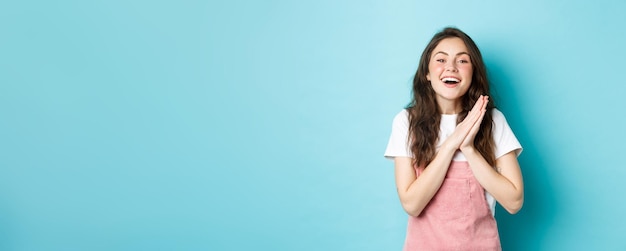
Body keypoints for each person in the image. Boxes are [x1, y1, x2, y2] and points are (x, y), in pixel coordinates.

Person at [384, 27, 524, 250]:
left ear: (473, 73)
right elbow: (412, 204)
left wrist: (469, 148)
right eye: (441, 59)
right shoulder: (406, 122)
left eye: (462, 61)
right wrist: (450, 145)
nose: (450, 67)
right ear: (426, 73)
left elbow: (514, 201)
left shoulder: (492, 121)